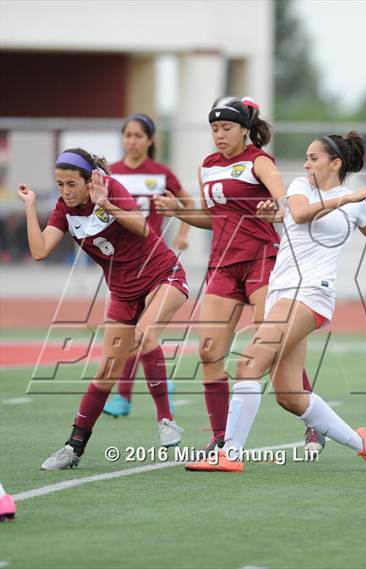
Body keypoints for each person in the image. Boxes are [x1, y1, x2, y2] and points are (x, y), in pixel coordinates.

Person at [183, 131, 366, 472]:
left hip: (312, 293)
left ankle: (230, 454)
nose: (306, 163)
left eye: (313, 158)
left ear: (336, 163)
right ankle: (363, 443)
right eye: (306, 157)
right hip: (281, 293)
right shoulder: (302, 187)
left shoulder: (355, 202)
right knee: (289, 395)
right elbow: (298, 214)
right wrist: (347, 199)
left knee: (247, 365)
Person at [154, 96, 323, 454]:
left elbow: (286, 203)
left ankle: (313, 422)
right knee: (209, 351)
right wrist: (177, 211)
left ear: (245, 130)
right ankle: (220, 438)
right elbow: (212, 217)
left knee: (274, 347)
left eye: (226, 127)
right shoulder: (208, 165)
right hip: (222, 267)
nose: (219, 134)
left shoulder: (259, 161)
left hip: (263, 261)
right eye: (214, 128)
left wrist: (272, 208)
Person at [17, 148, 188, 470]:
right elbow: (39, 251)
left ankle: (166, 420)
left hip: (163, 274)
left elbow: (141, 226)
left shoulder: (110, 188)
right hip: (123, 292)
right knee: (107, 371)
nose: (65, 191)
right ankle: (73, 448)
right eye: (60, 184)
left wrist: (105, 203)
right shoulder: (62, 209)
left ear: (88, 180)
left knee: (146, 335)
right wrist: (29, 207)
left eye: (71, 184)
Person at [103, 113, 193, 418]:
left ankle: (129, 395)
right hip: (122, 265)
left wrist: (182, 233)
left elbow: (187, 203)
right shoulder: (109, 172)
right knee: (131, 333)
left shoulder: (161, 173)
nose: (132, 141)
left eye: (138, 135)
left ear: (150, 140)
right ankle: (128, 395)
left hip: (154, 261)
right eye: (127, 135)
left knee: (143, 331)